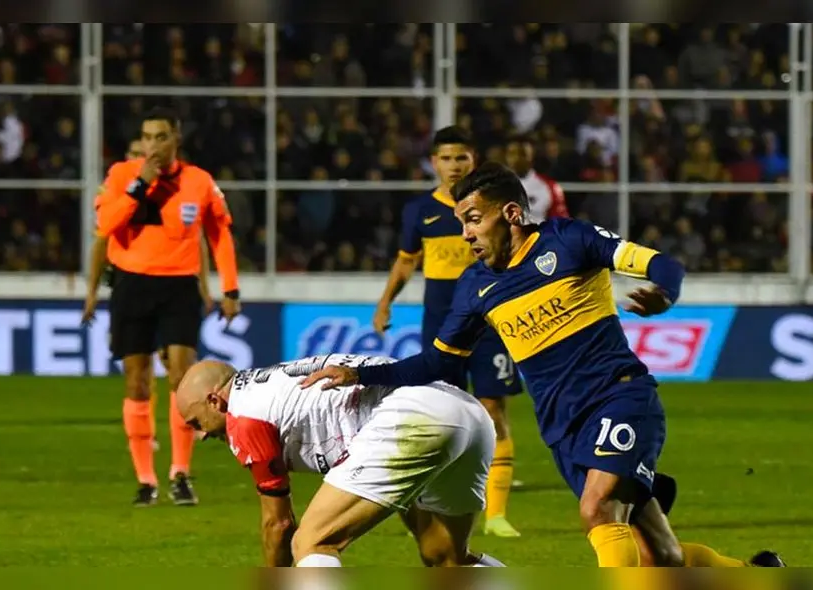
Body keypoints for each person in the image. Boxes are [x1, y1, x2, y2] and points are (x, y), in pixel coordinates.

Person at [300, 162, 784, 568]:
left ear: (510, 213)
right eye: (461, 221)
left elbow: (662, 264)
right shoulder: (476, 288)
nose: (464, 232)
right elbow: (437, 363)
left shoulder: (570, 241)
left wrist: (666, 293)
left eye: (472, 219)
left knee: (597, 510)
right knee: (660, 557)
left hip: (620, 395)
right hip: (561, 427)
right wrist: (361, 375)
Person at [174, 353, 506, 568]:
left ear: (214, 400)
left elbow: (279, 524)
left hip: (414, 416)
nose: (201, 436)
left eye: (196, 423)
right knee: (445, 559)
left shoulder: (243, 417)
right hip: (468, 412)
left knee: (313, 541)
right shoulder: (268, 385)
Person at [374, 126, 522, 538]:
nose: (454, 165)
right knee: (440, 413)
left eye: (462, 157)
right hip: (442, 327)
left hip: (493, 322)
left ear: (474, 159)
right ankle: (434, 503)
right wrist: (385, 302)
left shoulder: (494, 207)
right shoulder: (420, 211)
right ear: (433, 162)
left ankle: (496, 514)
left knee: (493, 409)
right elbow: (406, 262)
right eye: (446, 158)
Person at [94, 106, 242, 507]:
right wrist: (140, 185)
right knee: (137, 381)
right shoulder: (124, 175)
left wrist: (230, 287)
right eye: (147, 137)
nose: (152, 145)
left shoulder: (199, 182)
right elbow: (107, 226)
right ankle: (145, 479)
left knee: (181, 376)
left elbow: (219, 235)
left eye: (161, 137)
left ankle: (180, 473)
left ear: (176, 138)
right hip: (132, 285)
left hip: (179, 286)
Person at [82, 137, 215, 452]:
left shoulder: (172, 193)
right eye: (137, 155)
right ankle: (146, 435)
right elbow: (102, 240)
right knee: (138, 370)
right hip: (132, 285)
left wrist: (203, 285)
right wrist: (92, 290)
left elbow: (195, 240)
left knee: (174, 363)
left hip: (170, 284)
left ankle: (189, 426)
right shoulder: (118, 193)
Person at [504, 135, 569, 222]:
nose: (516, 158)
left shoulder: (550, 187)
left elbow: (561, 225)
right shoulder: (494, 187)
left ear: (532, 155)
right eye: (512, 153)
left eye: (522, 154)